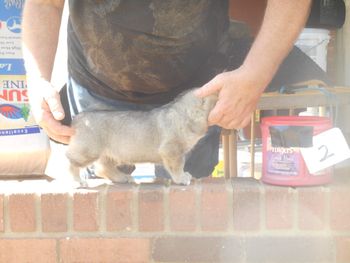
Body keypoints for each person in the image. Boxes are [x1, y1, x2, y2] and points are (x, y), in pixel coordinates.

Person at [22, 0, 315, 179]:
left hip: (195, 100)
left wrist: (256, 73)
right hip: (99, 98)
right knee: (100, 213)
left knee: (188, 209)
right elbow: (44, 3)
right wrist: (37, 79)